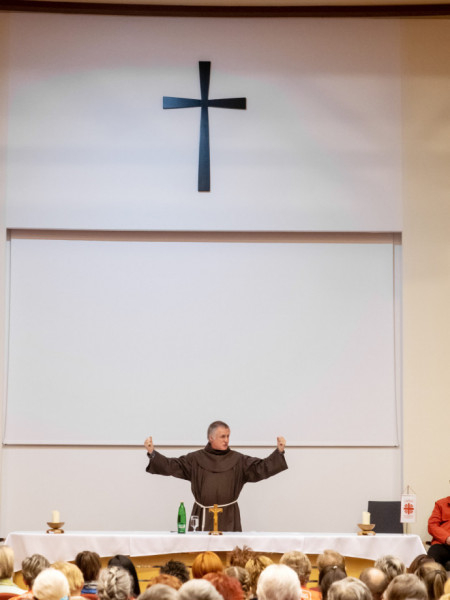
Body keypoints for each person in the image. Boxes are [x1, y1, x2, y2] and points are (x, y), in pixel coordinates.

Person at [144, 420, 287, 531]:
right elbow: (171, 465)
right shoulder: (195, 459)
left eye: (228, 436)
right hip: (202, 515)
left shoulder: (238, 460)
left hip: (229, 518)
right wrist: (152, 453)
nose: (226, 440)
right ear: (211, 438)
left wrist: (279, 452)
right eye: (222, 436)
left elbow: (260, 468)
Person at [427, 496, 450, 569]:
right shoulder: (441, 504)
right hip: (443, 544)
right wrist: (447, 538)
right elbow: (432, 525)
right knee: (431, 559)